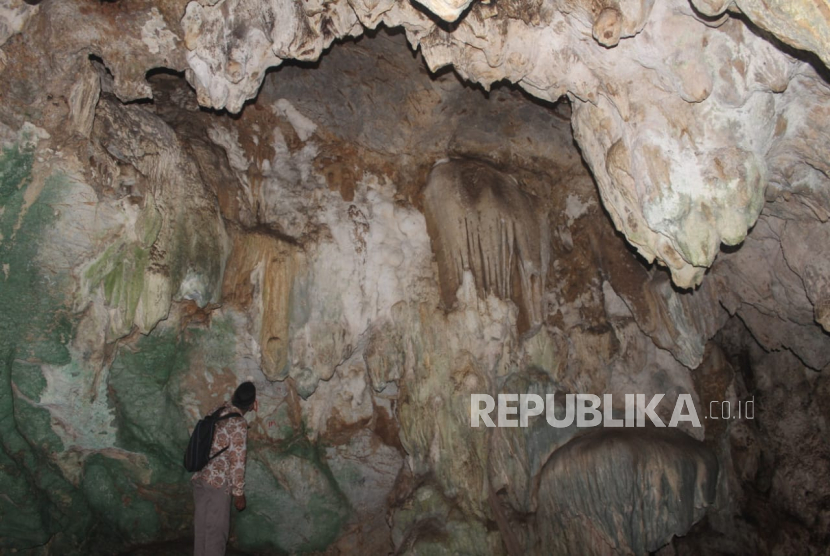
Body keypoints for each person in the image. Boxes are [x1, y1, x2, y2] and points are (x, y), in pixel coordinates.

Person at [192, 381, 258, 556]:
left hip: (200, 476)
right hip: (218, 483)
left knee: (202, 532)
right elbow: (238, 460)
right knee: (215, 535)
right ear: (252, 405)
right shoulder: (238, 424)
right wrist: (239, 493)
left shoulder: (217, 410)